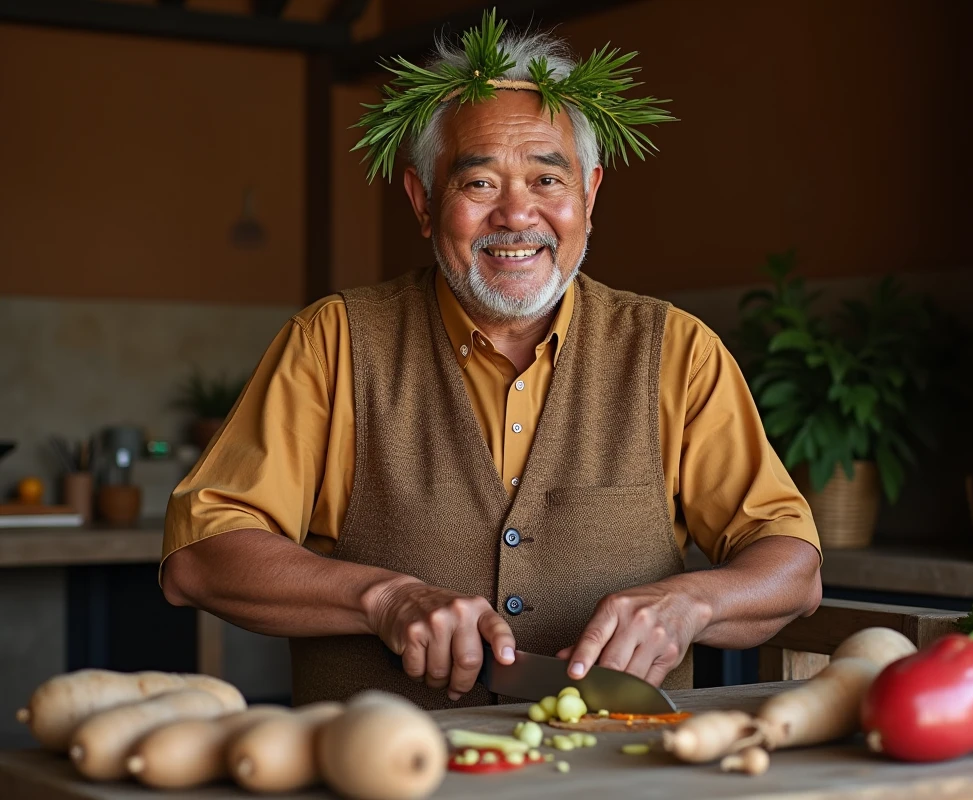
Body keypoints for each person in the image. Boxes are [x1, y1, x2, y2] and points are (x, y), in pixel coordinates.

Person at [160, 11, 822, 710]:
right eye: (479, 184)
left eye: (547, 180)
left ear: (589, 197)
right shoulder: (333, 343)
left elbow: (792, 566)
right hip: (387, 777)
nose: (516, 215)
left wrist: (691, 602)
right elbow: (200, 556)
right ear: (423, 202)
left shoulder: (677, 354)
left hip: (617, 780)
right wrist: (383, 598)